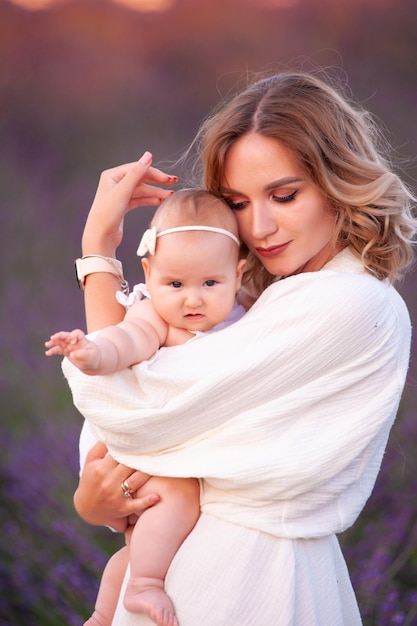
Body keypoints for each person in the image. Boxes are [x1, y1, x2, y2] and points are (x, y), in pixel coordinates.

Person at [64, 71, 416, 626]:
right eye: (237, 202)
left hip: (253, 582)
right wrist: (99, 248)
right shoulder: (252, 300)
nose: (260, 226)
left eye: (284, 194)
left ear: (338, 180)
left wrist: (98, 266)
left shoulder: (349, 303)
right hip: (172, 572)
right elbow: (128, 399)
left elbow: (132, 411)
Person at [45, 189, 247, 626]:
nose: (192, 300)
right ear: (149, 273)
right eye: (175, 284)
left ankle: (103, 613)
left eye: (210, 284)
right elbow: (126, 340)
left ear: (239, 272)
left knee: (143, 543)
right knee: (176, 495)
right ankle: (144, 586)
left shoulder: (245, 320)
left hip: (184, 454)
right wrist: (92, 352)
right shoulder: (153, 316)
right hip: (146, 454)